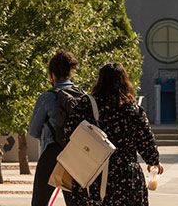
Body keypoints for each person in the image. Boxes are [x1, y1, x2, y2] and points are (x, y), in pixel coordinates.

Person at [60, 63, 163, 206]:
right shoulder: (133, 109)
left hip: (93, 174)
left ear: (100, 81)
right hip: (126, 176)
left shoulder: (87, 104)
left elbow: (68, 132)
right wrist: (154, 162)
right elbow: (146, 142)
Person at [27, 49, 82, 206]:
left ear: (51, 75)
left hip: (52, 153)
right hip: (76, 155)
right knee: (75, 202)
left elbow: (34, 131)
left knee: (40, 201)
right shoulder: (82, 96)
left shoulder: (47, 97)